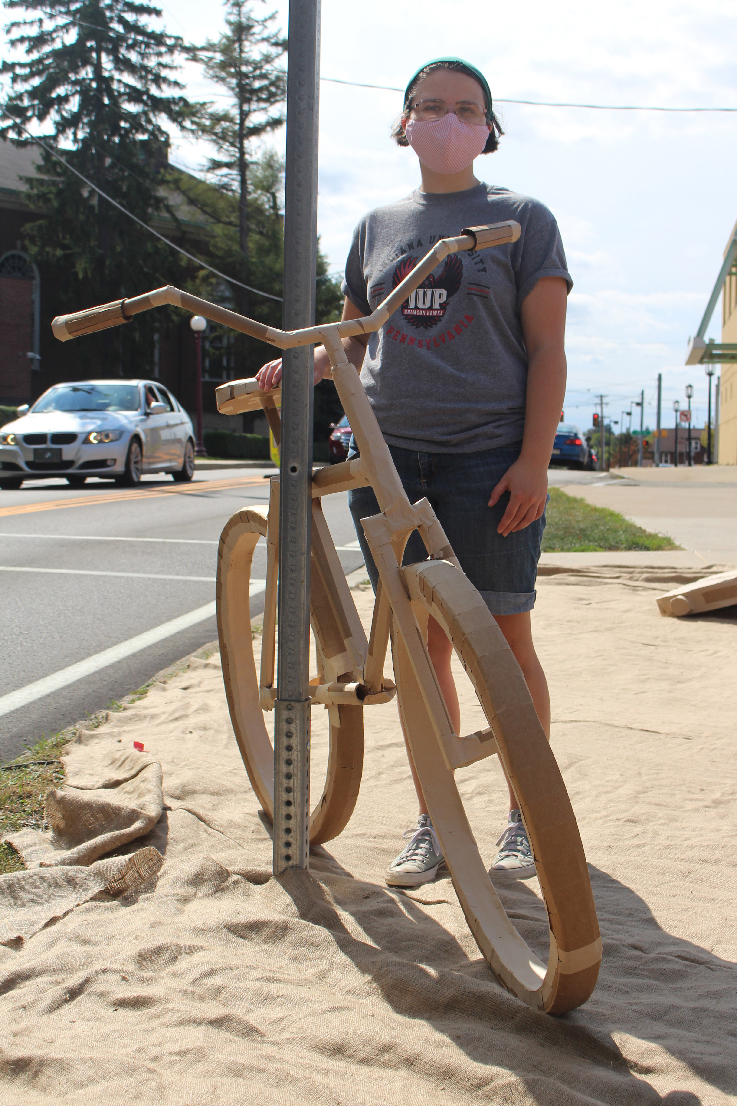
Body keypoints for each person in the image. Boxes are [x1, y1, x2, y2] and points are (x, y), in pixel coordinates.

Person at [257, 57, 570, 889]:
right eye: (428, 106)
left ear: (489, 128)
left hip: (487, 461)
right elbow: (361, 335)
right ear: (402, 122)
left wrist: (534, 459)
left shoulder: (520, 218)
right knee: (423, 642)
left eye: (464, 108)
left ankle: (525, 816)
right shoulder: (377, 224)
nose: (445, 119)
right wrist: (312, 363)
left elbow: (546, 347)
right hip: (389, 457)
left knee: (502, 639)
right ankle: (437, 814)